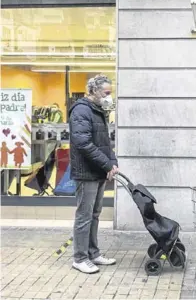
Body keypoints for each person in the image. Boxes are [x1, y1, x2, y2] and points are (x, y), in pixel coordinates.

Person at [69, 74, 119, 274]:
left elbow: (103, 142)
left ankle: (93, 253)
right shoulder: (82, 110)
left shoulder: (97, 110)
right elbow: (83, 143)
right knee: (84, 216)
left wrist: (112, 162)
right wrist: (106, 164)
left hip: (98, 171)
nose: (109, 96)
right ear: (93, 91)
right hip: (86, 172)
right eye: (106, 93)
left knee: (95, 214)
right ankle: (80, 258)